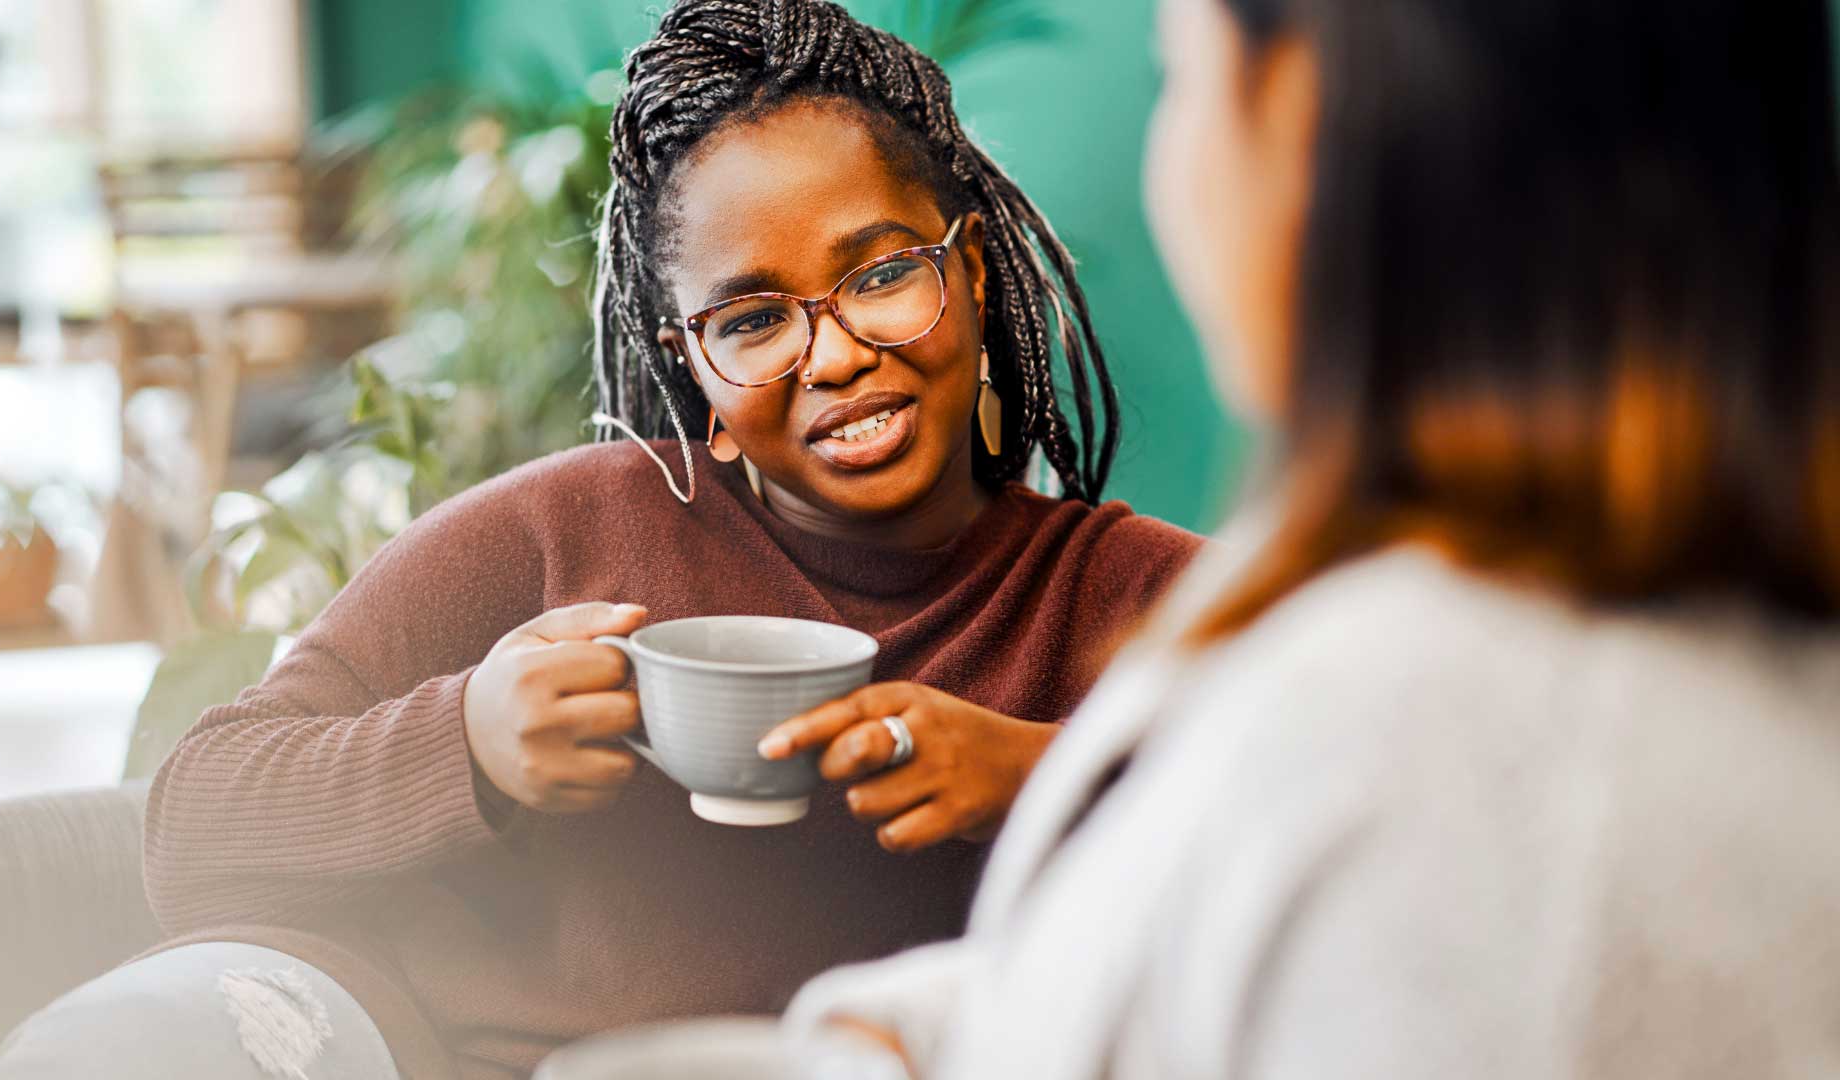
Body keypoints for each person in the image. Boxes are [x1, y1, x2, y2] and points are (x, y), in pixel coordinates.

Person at [0, 2, 1200, 1079]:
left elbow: (1360, 851)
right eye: (755, 317)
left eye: (881, 275)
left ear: (974, 273)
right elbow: (194, 822)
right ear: (693, 371)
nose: (832, 356)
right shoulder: (562, 528)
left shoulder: (1142, 599)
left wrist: (1039, 776)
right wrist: (469, 743)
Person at [782, 0, 1840, 1076]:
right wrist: (910, 1031)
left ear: (1299, 115)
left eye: (1179, 78)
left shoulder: (1399, 750)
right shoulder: (1699, 674)